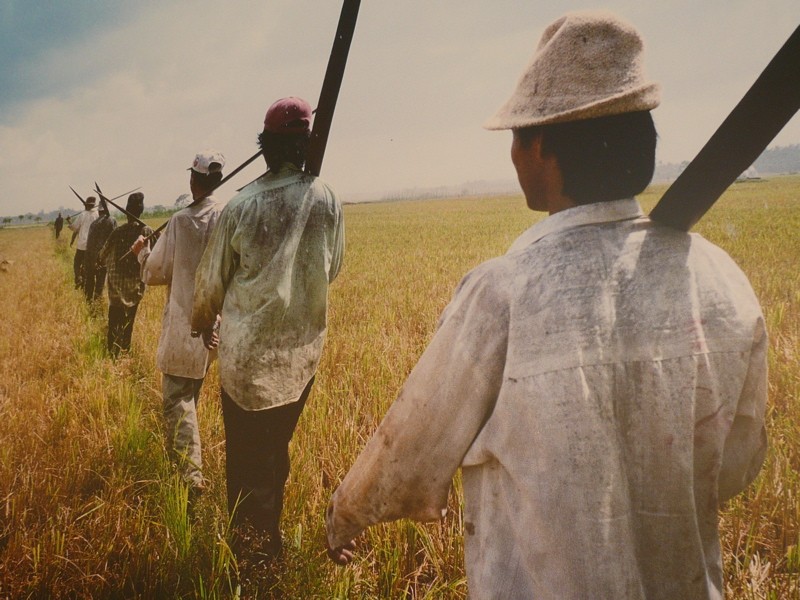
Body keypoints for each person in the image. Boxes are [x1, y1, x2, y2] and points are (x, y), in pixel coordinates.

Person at [325, 11, 768, 600]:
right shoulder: (722, 280)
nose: (512, 155)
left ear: (542, 145)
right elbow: (738, 463)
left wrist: (347, 513)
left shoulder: (503, 293)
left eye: (518, 135)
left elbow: (410, 451)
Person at [192, 97, 345, 559]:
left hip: (246, 365)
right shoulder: (327, 198)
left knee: (246, 462)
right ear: (306, 144)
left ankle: (252, 552)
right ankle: (266, 541)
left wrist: (203, 325)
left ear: (264, 147)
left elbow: (208, 286)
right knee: (276, 451)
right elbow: (332, 268)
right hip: (301, 361)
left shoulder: (240, 207)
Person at [131, 150, 225, 497]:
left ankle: (190, 477)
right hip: (214, 325)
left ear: (192, 179)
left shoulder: (181, 221)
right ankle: (188, 465)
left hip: (185, 323)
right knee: (192, 394)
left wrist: (141, 251)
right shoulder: (227, 216)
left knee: (177, 400)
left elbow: (156, 272)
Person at [98, 192, 153, 357]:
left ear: (127, 210)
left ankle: (112, 354)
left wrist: (100, 262)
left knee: (114, 320)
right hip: (134, 287)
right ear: (141, 210)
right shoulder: (147, 231)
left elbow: (103, 254)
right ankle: (124, 351)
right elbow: (158, 254)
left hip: (115, 286)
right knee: (128, 323)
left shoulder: (118, 231)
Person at [84, 199, 117, 302]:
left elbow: (89, 243)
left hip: (91, 257)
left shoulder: (94, 224)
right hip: (104, 258)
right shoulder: (112, 221)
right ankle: (97, 304)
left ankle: (88, 301)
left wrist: (87, 259)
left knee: (90, 281)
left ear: (98, 211)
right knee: (100, 282)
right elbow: (116, 240)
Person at [68, 196, 99, 289]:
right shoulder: (97, 214)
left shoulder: (82, 215)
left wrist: (69, 221)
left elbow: (74, 228)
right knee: (88, 265)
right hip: (93, 246)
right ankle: (85, 283)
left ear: (86, 205)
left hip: (82, 245)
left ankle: (78, 278)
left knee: (77, 263)